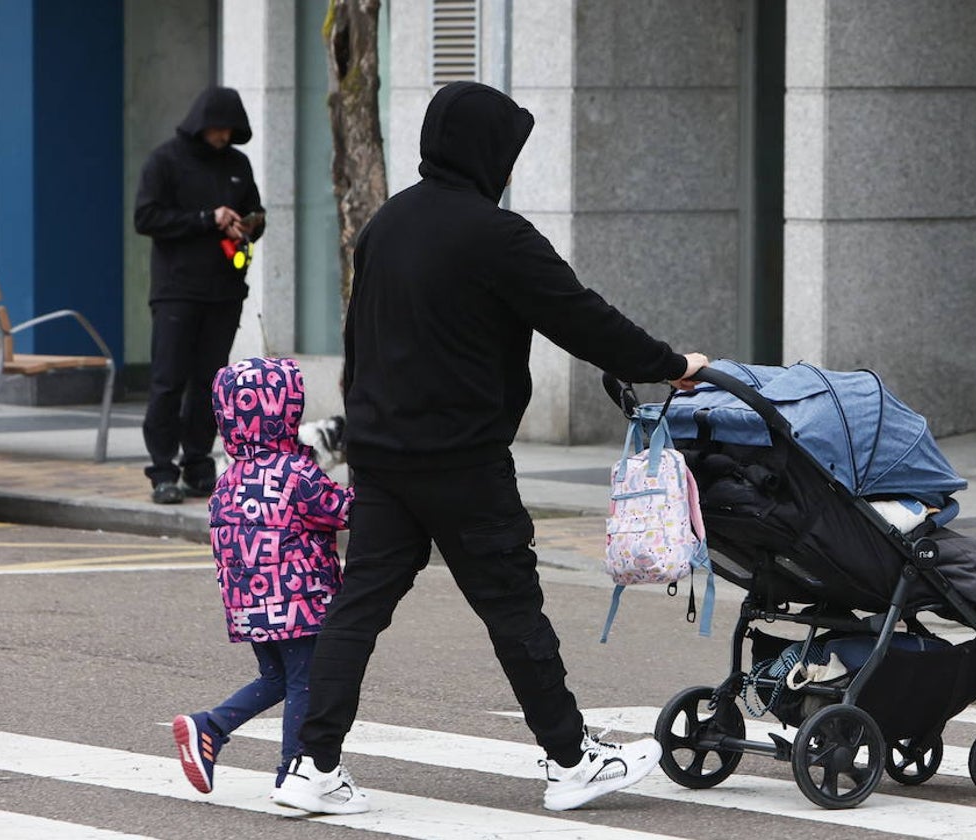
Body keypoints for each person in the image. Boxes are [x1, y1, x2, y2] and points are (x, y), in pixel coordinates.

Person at [271, 80, 709, 816]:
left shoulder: (385, 226)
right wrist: (671, 365)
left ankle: (310, 766)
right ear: (484, 152)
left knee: (359, 607)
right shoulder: (496, 235)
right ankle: (571, 760)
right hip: (462, 459)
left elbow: (358, 341)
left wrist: (361, 431)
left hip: (383, 456)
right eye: (507, 152)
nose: (510, 168)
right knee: (512, 607)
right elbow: (583, 320)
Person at [172, 356, 353, 796]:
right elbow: (344, 511)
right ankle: (294, 770)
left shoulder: (228, 478)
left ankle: (209, 727)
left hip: (251, 604)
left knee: (276, 678)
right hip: (299, 602)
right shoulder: (297, 474)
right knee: (304, 683)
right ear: (286, 413)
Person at [134, 85, 266, 505]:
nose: (223, 136)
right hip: (176, 290)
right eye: (216, 128)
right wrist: (206, 218)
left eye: (230, 129)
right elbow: (146, 216)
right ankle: (162, 470)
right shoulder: (165, 161)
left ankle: (198, 466)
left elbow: (257, 214)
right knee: (169, 380)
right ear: (200, 124)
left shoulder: (238, 165)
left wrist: (248, 225)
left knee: (211, 382)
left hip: (225, 290)